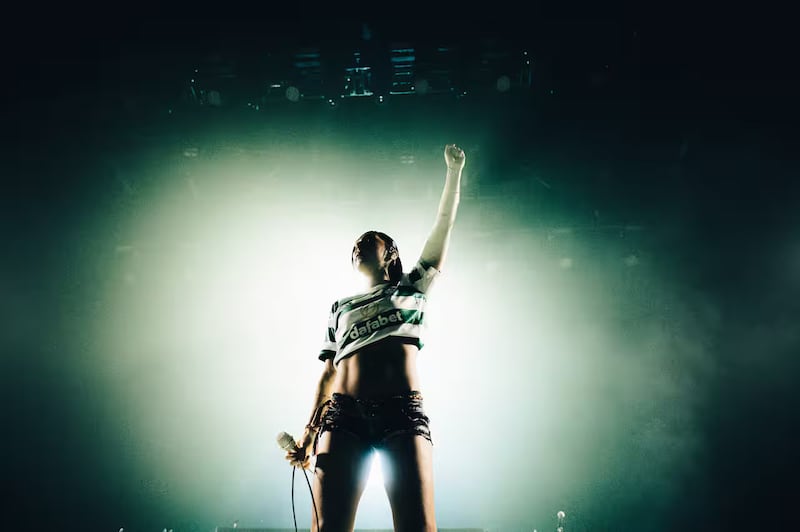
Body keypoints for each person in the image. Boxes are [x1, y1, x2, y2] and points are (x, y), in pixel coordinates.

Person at [285, 144, 466, 532]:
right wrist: (309, 432)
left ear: (391, 254)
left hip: (401, 413)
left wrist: (454, 173)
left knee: (418, 526)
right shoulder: (340, 307)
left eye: (369, 240)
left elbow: (443, 224)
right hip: (342, 416)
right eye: (354, 245)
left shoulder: (412, 289)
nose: (358, 245)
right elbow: (328, 374)